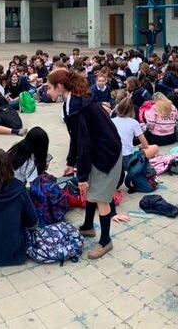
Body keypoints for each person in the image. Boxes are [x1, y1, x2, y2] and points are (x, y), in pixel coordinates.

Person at [48, 68, 122, 260]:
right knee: (90, 190)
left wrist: (81, 176)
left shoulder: (78, 107)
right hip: (98, 150)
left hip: (107, 154)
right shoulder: (71, 103)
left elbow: (84, 143)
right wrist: (71, 162)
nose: (47, 91)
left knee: (101, 198)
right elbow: (76, 137)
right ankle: (88, 226)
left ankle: (105, 241)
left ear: (60, 86)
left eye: (49, 87)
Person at [112, 96, 158, 163]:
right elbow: (145, 145)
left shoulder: (111, 121)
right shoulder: (134, 123)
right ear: (132, 110)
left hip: (114, 156)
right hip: (128, 157)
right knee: (155, 147)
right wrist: (135, 147)